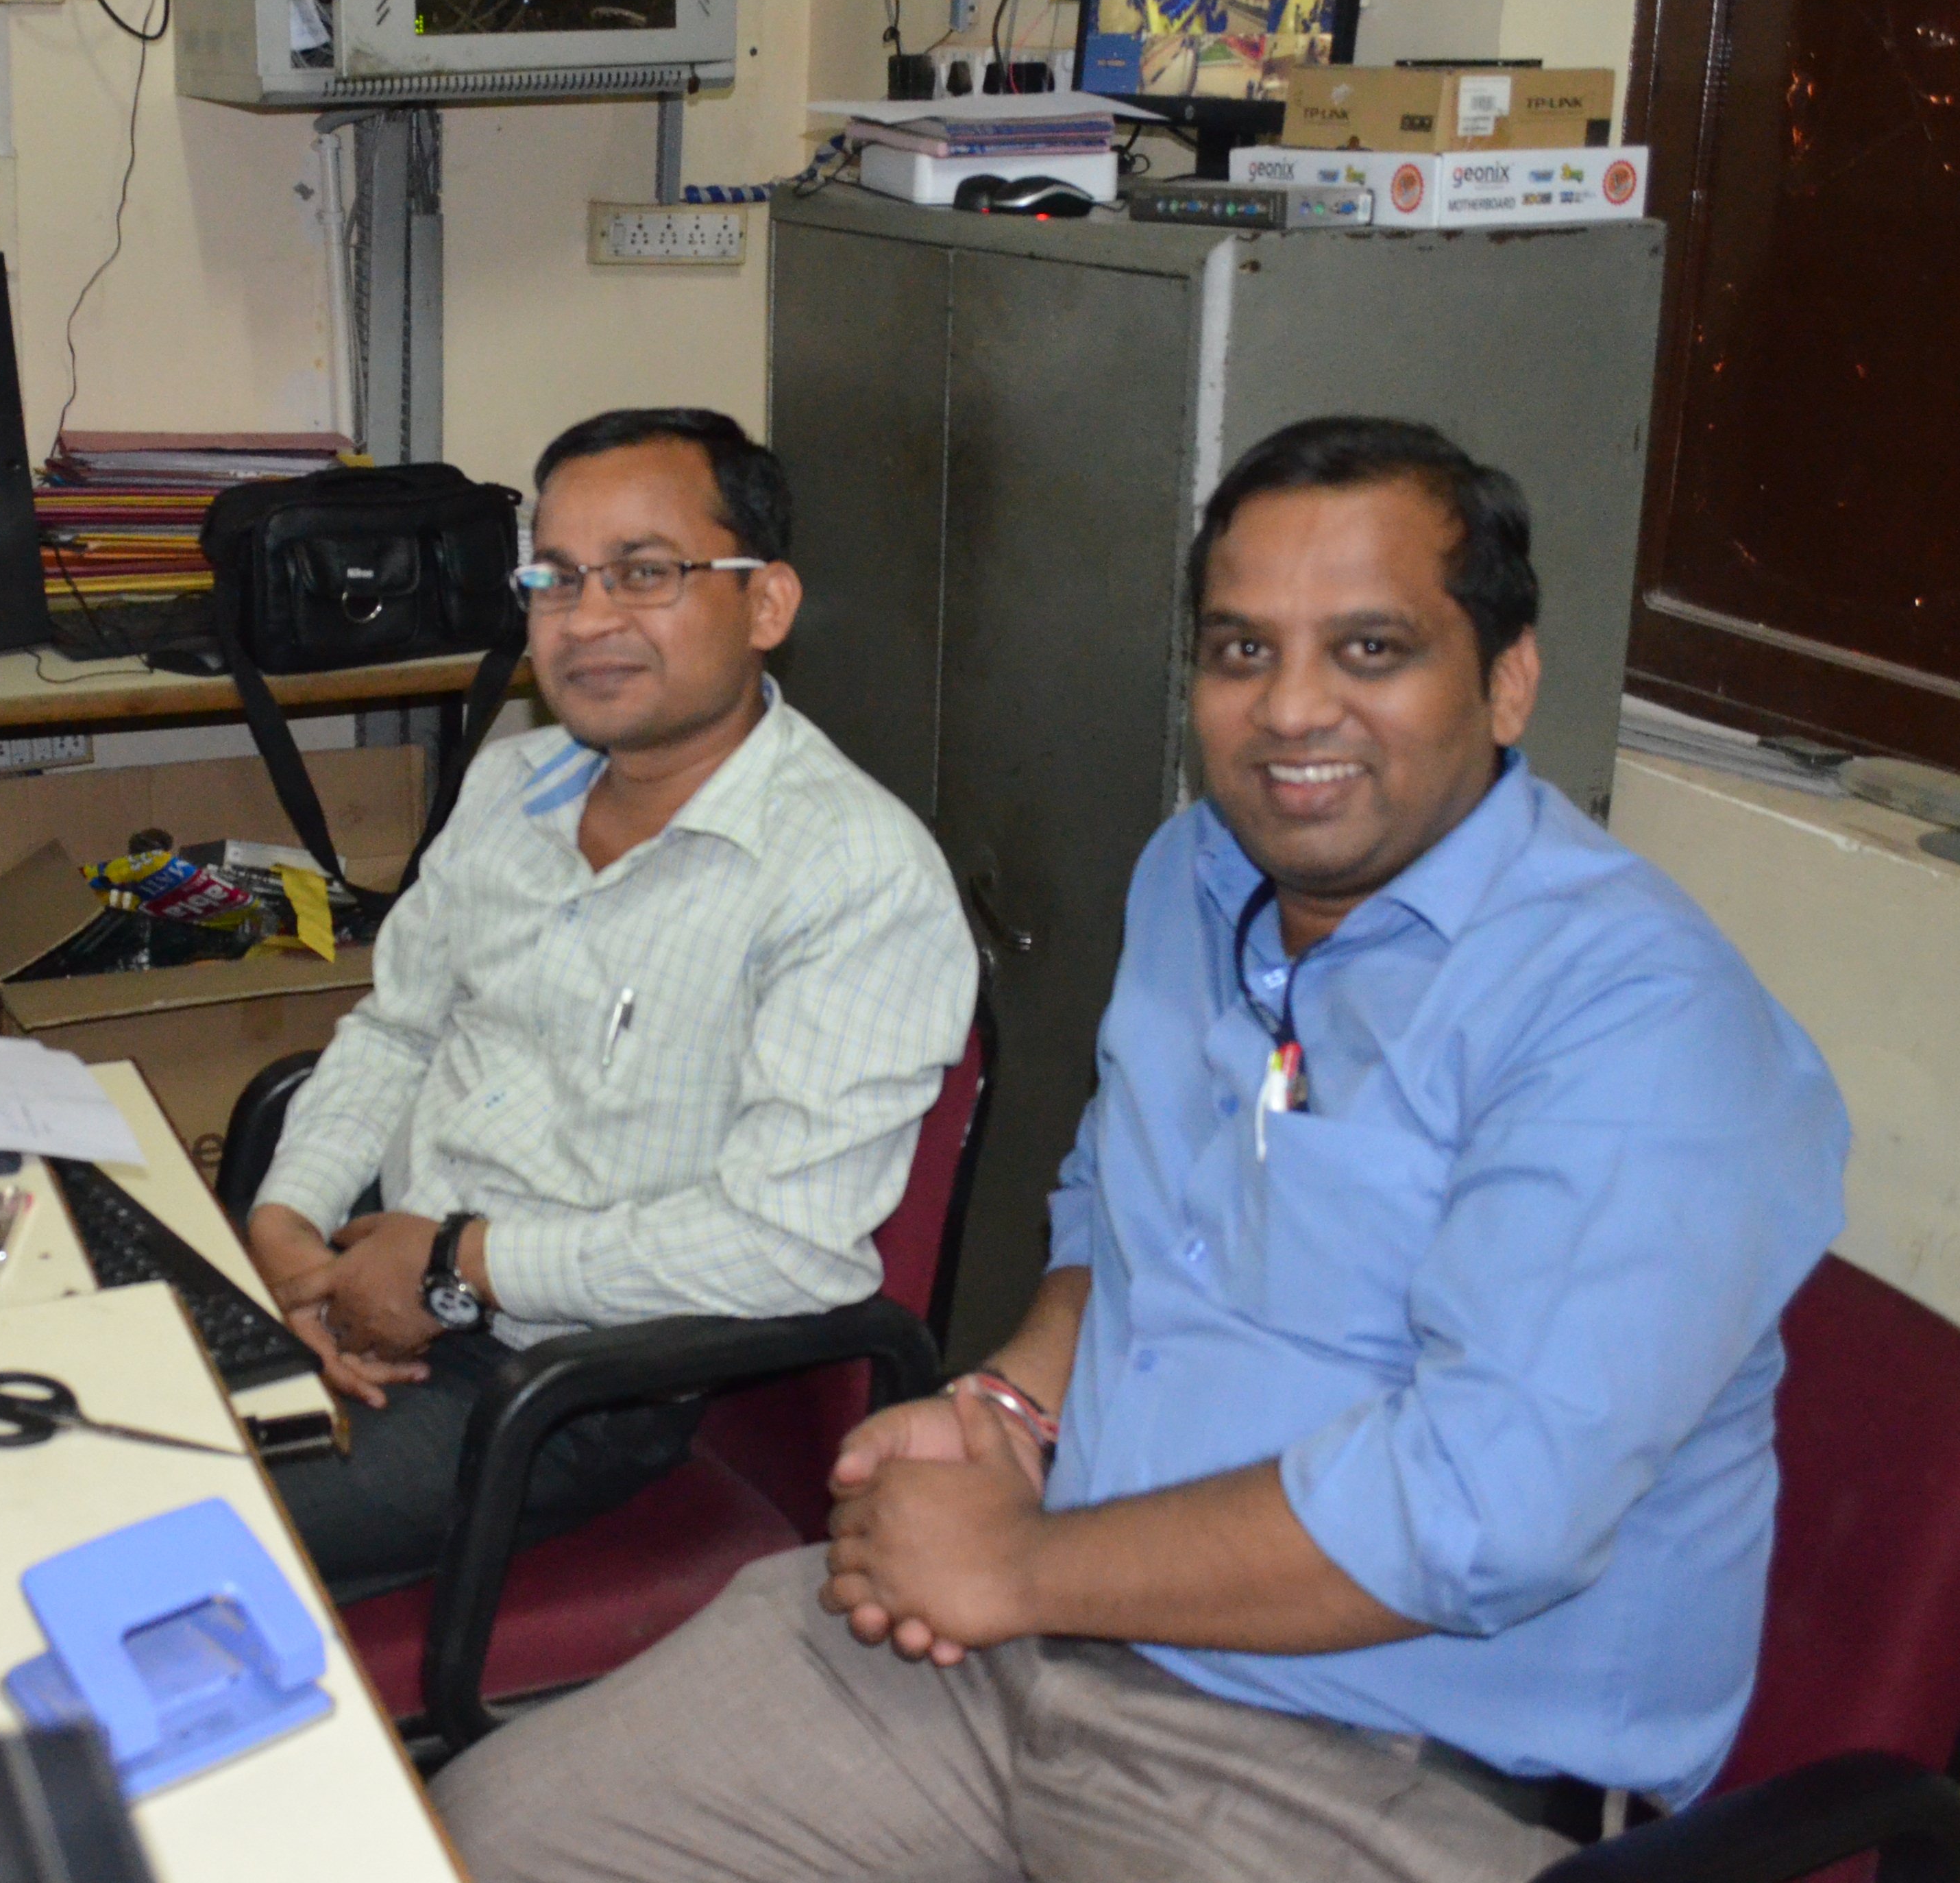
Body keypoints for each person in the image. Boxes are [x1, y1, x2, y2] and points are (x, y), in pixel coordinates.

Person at [434, 415, 1852, 1883]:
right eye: (1241, 651)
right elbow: (1113, 1215)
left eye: (1370, 650)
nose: (1291, 709)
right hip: (1038, 1645)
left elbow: (1475, 1516)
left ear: (1507, 682)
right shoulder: (1199, 875)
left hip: (1375, 1771)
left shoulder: (1634, 1015)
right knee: (484, 1839)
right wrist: (1008, 1406)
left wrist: (1019, 1565)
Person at [247, 407, 979, 1601]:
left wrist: (458, 1268)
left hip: (563, 1388)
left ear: (767, 604)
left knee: (142, 1519)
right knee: (48, 1408)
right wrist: (290, 1226)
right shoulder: (509, 784)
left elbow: (789, 1247)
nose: (586, 621)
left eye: (644, 574)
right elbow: (398, 1031)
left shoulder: (853, 874)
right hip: (376, 1267)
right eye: (557, 578)